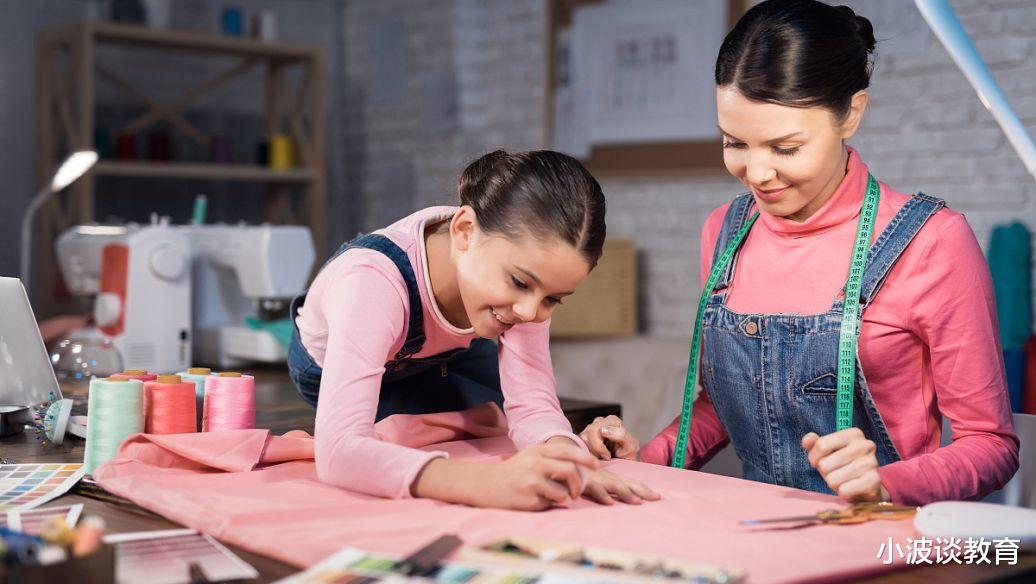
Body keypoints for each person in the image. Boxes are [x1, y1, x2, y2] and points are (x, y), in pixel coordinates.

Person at [580, 0, 1018, 506]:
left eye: (785, 148)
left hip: (878, 531)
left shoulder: (932, 242)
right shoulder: (724, 232)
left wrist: (885, 484)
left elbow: (991, 445)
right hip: (754, 524)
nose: (757, 173)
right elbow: (728, 404)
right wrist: (646, 459)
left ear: (851, 114)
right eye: (734, 143)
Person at [289, 149, 659, 510]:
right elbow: (338, 451)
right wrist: (485, 483)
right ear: (464, 231)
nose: (530, 312)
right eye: (519, 282)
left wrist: (567, 459)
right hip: (345, 360)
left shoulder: (516, 286)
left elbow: (532, 404)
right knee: (401, 440)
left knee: (496, 427)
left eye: (552, 299)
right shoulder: (371, 282)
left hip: (448, 350)